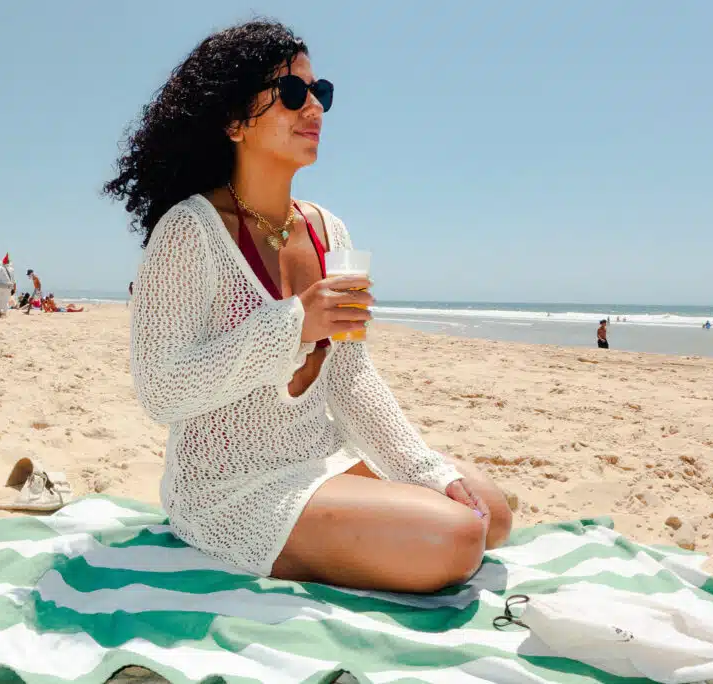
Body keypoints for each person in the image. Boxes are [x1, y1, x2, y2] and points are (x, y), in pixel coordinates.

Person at [105, 21, 512, 593]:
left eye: (320, 93)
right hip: (231, 485)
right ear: (232, 121)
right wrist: (295, 324)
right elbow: (161, 389)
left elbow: (349, 375)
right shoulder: (188, 232)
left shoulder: (329, 229)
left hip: (325, 456)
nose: (313, 109)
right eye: (292, 94)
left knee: (492, 514)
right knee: (458, 538)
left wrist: (422, 468)